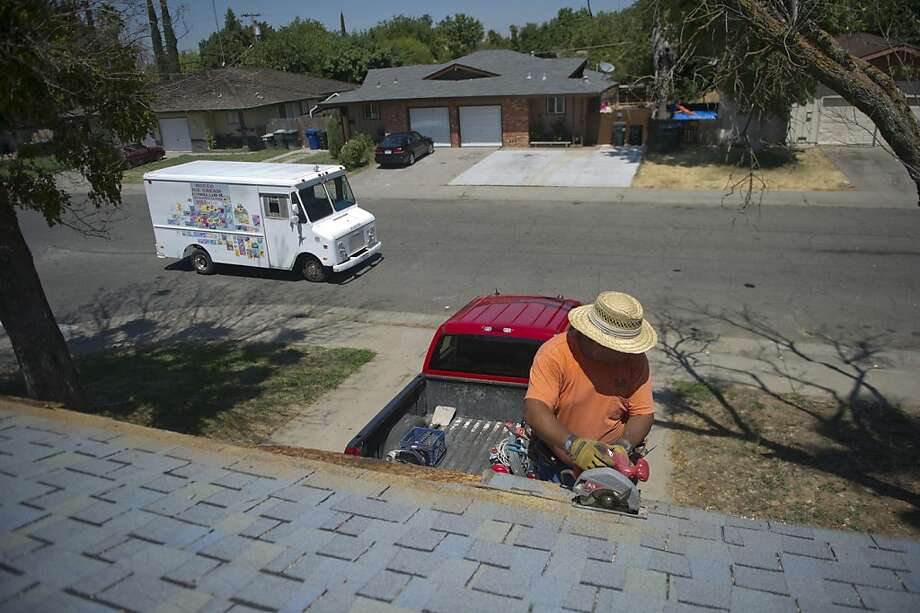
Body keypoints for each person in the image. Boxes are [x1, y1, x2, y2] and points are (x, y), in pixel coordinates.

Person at [524, 291, 657, 483]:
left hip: (613, 469)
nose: (629, 353)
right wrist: (574, 446)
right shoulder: (555, 354)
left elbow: (643, 414)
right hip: (559, 467)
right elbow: (535, 410)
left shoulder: (634, 361)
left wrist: (622, 446)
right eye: (623, 348)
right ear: (597, 341)